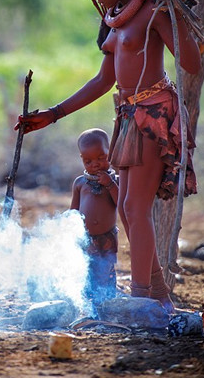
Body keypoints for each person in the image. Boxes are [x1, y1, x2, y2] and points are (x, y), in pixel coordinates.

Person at [16, 0, 201, 313]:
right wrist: (53, 114)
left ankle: (141, 299)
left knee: (134, 207)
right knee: (126, 209)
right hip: (128, 116)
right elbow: (104, 79)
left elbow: (191, 62)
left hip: (154, 113)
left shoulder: (152, 11)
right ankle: (157, 298)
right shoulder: (116, 20)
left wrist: (177, 11)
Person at [70, 128, 119, 305]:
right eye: (88, 161)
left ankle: (107, 300)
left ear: (110, 153)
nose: (95, 164)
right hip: (85, 238)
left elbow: (121, 203)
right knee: (86, 268)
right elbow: (73, 212)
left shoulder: (116, 181)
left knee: (106, 268)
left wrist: (110, 184)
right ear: (81, 159)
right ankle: (88, 301)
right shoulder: (80, 183)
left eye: (101, 158)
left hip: (107, 237)